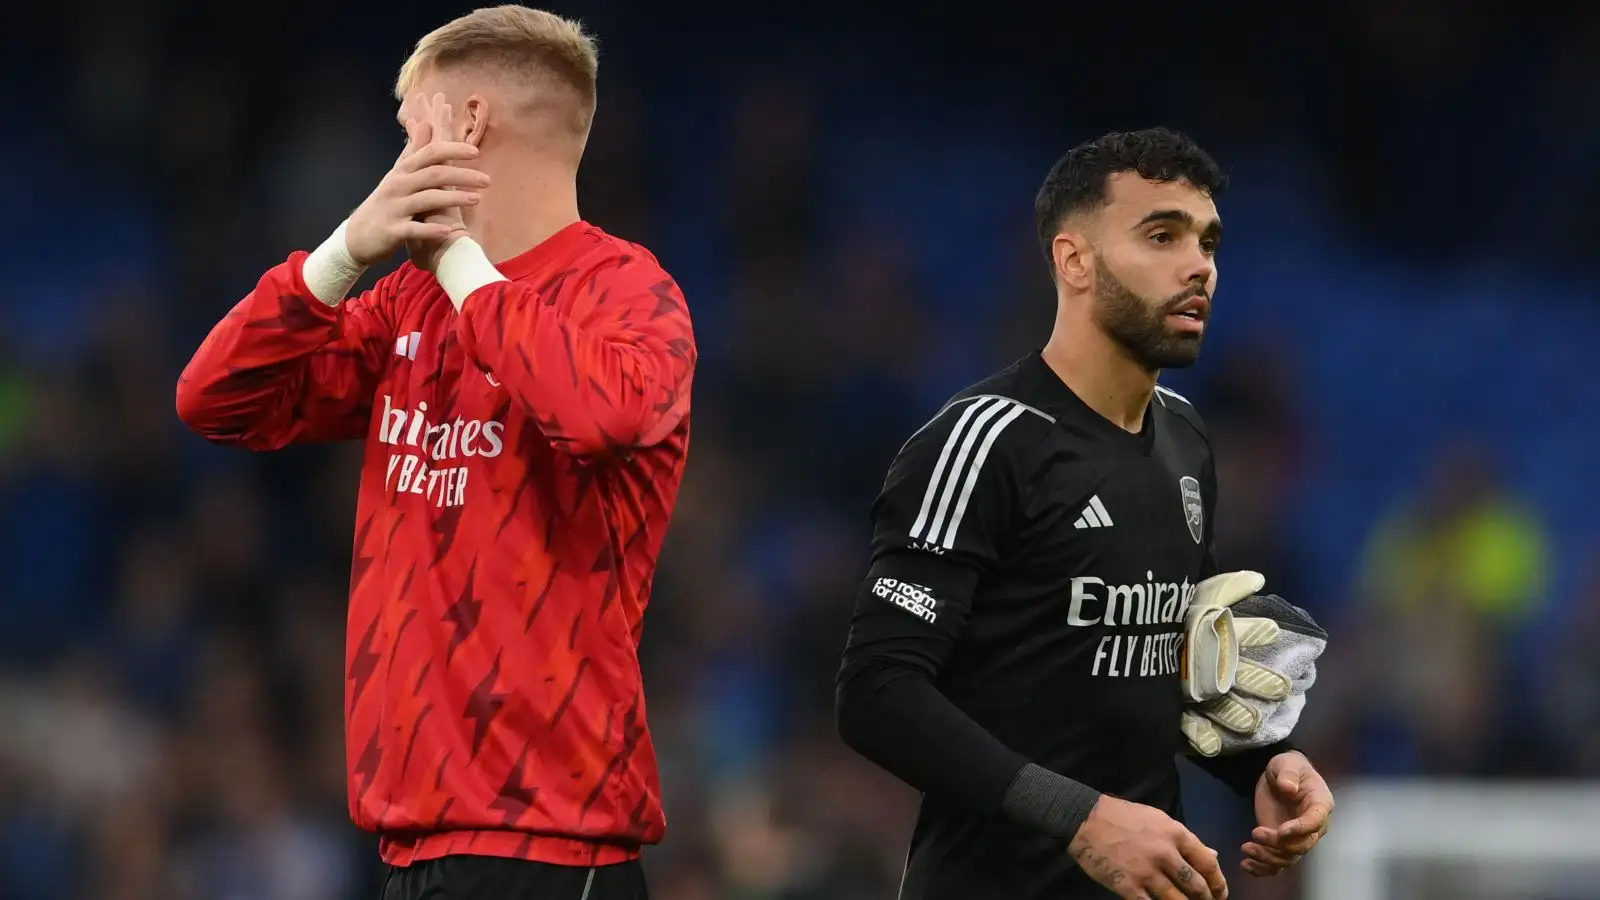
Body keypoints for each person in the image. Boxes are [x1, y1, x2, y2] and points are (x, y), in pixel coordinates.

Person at [176, 7, 693, 899]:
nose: (398, 160)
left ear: (468, 124)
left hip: (549, 846)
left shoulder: (628, 292)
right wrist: (338, 259)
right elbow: (216, 400)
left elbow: (598, 414)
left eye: (413, 129)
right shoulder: (405, 307)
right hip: (410, 842)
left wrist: (455, 257)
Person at [834, 128, 1334, 900]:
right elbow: (876, 695)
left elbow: (1171, 664)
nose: (1198, 264)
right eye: (1161, 235)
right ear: (1074, 261)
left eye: (1207, 241)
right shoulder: (984, 442)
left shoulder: (1187, 438)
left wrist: (1265, 763)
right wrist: (1082, 818)